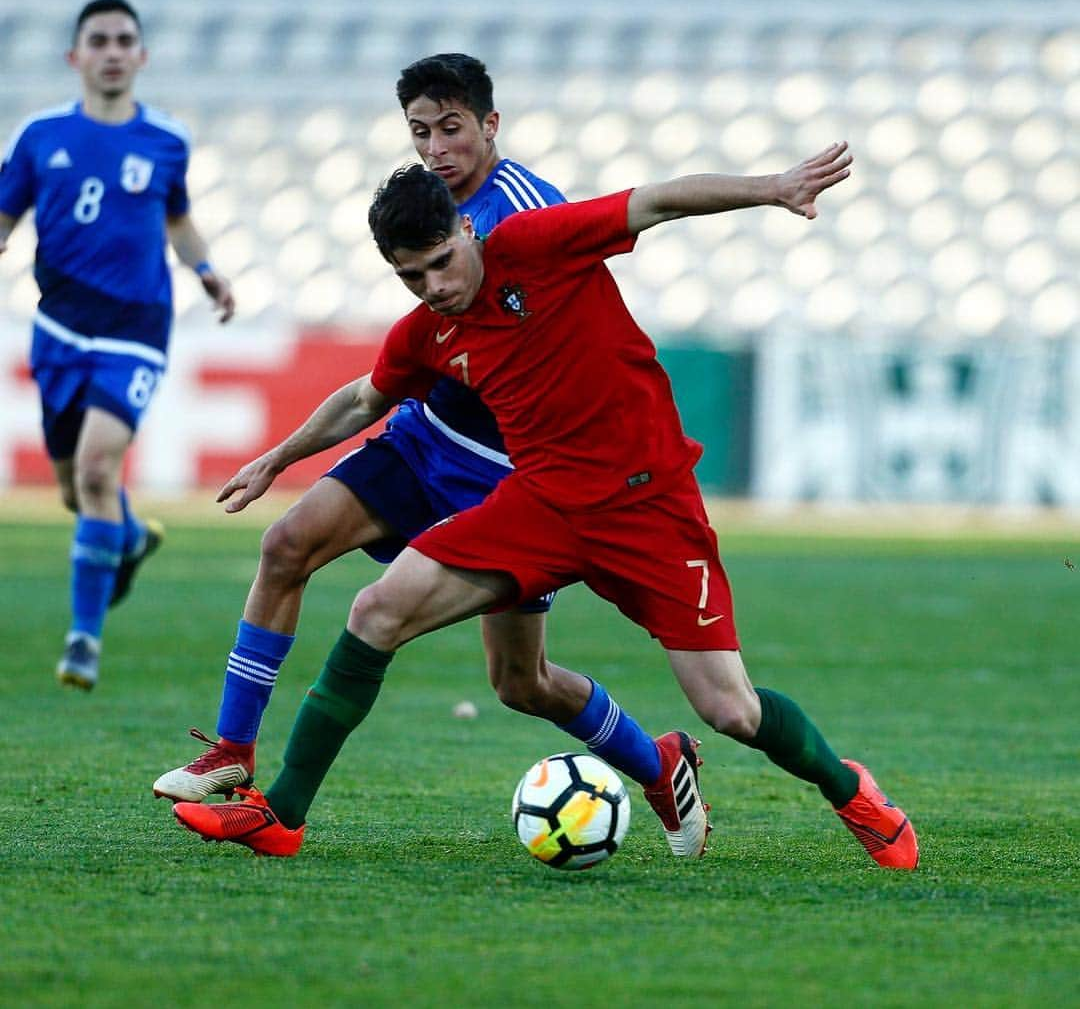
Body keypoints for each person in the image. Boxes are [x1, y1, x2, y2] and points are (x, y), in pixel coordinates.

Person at [172, 144, 920, 870]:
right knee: (377, 610)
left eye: (440, 261)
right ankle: (283, 815)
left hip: (648, 504)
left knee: (732, 711)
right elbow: (366, 398)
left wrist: (774, 186)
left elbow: (655, 201)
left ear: (468, 229)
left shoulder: (533, 242)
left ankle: (849, 789)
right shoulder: (428, 333)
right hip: (542, 504)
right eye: (411, 276)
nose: (433, 285)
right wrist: (278, 457)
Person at [153, 54, 713, 859]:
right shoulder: (424, 210)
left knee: (521, 682)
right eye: (421, 132)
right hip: (426, 439)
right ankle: (233, 755)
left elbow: (568, 327)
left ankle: (658, 765)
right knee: (286, 545)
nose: (436, 148)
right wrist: (278, 456)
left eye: (451, 128)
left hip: (511, 472)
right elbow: (391, 374)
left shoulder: (522, 215)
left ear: (490, 124)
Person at [0, 0, 234, 690]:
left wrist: (207, 271)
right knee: (77, 490)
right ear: (76, 56)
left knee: (101, 470)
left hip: (136, 327)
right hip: (59, 328)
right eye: (97, 39)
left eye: (123, 39)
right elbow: (6, 211)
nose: (110, 50)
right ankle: (128, 536)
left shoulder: (166, 140)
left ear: (141, 56)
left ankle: (83, 641)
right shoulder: (41, 135)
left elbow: (179, 220)